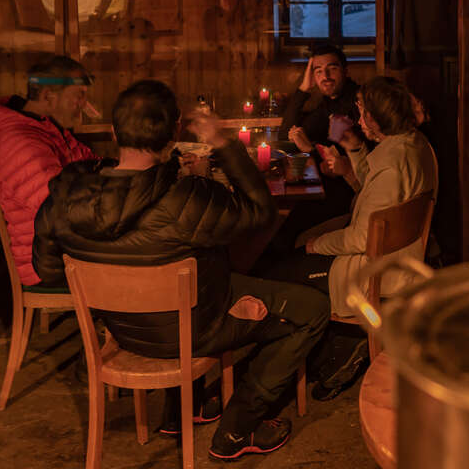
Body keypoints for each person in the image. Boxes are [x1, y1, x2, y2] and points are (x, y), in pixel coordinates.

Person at [32, 80, 329, 461]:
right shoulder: (186, 197)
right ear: (174, 133)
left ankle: (182, 409)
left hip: (123, 333)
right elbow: (260, 213)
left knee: (200, 282)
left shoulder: (65, 196)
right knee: (312, 310)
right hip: (196, 330)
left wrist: (111, 300)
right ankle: (238, 428)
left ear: (113, 131)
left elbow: (48, 270)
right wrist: (223, 143)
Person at [266, 76, 438, 398]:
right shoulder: (414, 145)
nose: (359, 120)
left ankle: (319, 353)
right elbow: (373, 194)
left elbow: (361, 238)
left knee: (279, 275)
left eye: (362, 113)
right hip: (402, 257)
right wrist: (355, 151)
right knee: (300, 242)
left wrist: (316, 246)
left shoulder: (392, 165)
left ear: (375, 118)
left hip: (377, 272)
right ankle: (333, 345)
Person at [0, 55, 97, 287]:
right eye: (79, 96)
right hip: (46, 262)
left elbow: (92, 164)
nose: (84, 104)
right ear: (48, 97)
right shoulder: (17, 142)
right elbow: (57, 206)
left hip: (63, 248)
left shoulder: (46, 128)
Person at [263, 44, 362, 259]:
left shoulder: (356, 104)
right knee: (276, 228)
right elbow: (286, 134)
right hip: (326, 191)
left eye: (332, 68)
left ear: (345, 71)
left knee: (279, 234)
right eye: (318, 71)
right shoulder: (328, 105)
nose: (325, 76)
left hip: (345, 199)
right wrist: (304, 88)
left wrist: (309, 148)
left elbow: (338, 166)